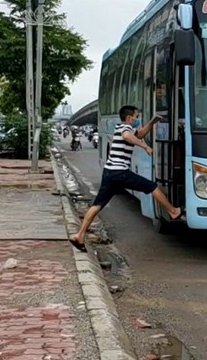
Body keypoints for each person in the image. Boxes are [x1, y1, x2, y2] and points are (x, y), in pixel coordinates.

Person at [68, 105, 182, 251]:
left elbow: (139, 134)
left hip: (109, 172)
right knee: (152, 187)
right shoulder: (125, 129)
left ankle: (79, 235)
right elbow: (128, 136)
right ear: (129, 118)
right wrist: (145, 147)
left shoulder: (121, 127)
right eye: (136, 117)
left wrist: (152, 123)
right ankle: (173, 211)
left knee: (98, 204)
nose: (137, 119)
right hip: (120, 172)